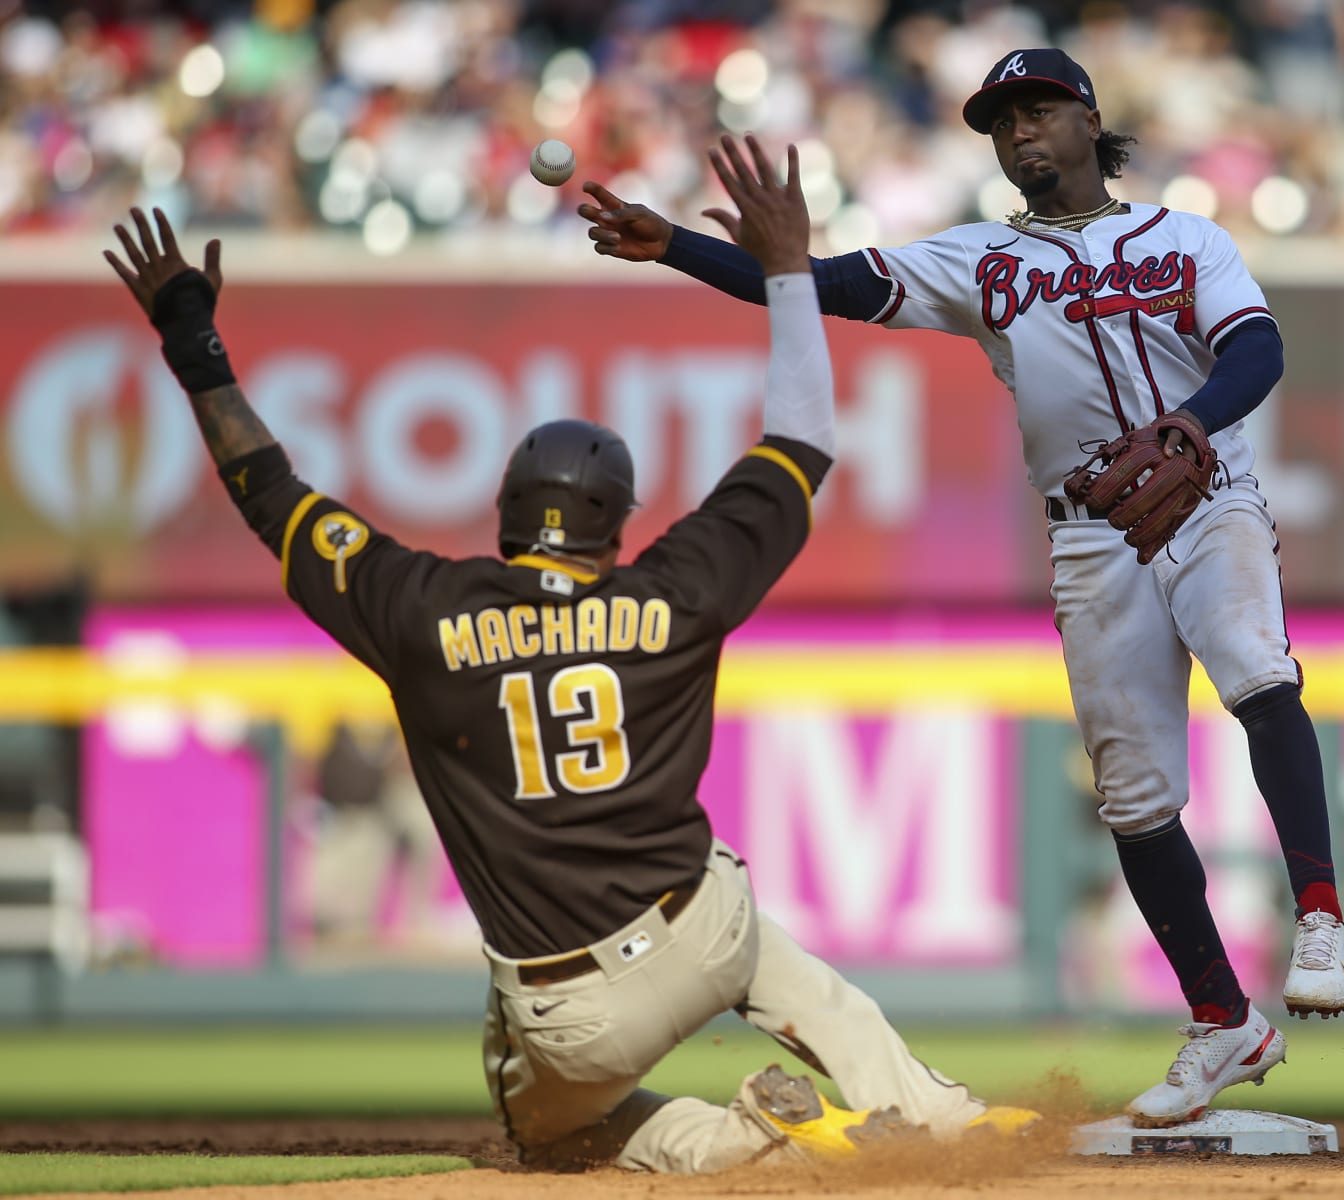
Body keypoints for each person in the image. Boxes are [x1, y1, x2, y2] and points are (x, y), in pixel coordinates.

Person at [105, 137, 1032, 1175]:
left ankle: (748, 1137)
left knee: (551, 1135)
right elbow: (806, 440)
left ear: (504, 511)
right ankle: (931, 1109)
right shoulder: (672, 590)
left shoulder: (422, 608)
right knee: (751, 926)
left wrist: (195, 346)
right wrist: (784, 268)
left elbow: (268, 494)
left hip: (570, 1009)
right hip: (703, 931)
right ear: (618, 526)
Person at [581, 48, 1344, 1127]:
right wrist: (679, 250)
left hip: (1208, 490)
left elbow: (1256, 352)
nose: (1019, 132)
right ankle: (1223, 1021)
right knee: (1133, 801)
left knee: (1257, 670)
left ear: (1089, 120)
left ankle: (1317, 913)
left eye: (1038, 110)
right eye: (1001, 121)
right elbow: (828, 284)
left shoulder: (1186, 237)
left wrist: (1192, 423)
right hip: (1090, 535)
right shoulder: (981, 261)